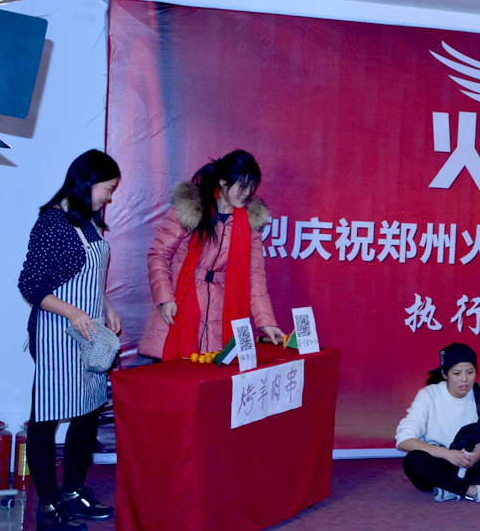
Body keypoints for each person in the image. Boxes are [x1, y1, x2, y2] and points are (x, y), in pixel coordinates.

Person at [18, 150, 122, 530]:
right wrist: (72, 312)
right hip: (56, 336)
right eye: (107, 189)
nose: (109, 197)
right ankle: (48, 505)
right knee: (45, 420)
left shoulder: (86, 222)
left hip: (89, 336)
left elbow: (86, 276)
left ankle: (74, 491)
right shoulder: (53, 223)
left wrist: (105, 305)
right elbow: (31, 285)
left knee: (88, 412)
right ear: (86, 183)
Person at [138, 150, 283, 361]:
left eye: (251, 187)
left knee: (211, 376)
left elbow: (254, 277)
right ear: (223, 181)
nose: (247, 193)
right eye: (242, 186)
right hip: (179, 306)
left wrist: (266, 322)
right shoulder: (191, 209)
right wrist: (165, 298)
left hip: (221, 314)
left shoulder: (250, 223)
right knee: (175, 376)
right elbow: (158, 255)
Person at [395, 343, 480, 504]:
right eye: (457, 373)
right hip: (441, 463)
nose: (464, 379)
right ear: (444, 374)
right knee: (414, 460)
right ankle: (473, 491)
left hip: (473, 463)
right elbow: (404, 440)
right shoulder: (428, 395)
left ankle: (449, 488)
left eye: (470, 372)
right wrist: (447, 454)